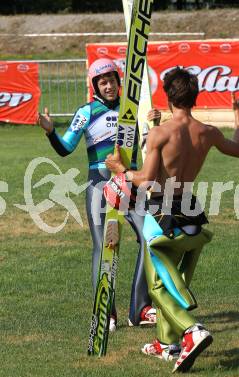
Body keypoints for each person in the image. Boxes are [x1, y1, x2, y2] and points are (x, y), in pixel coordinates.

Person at [105, 67, 239, 372]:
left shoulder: (161, 133)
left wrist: (119, 170)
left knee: (157, 287)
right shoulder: (208, 132)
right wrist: (237, 117)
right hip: (191, 214)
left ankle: (193, 331)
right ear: (195, 97)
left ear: (168, 97)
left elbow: (146, 180)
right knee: (165, 283)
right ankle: (167, 345)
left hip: (162, 216)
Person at [38, 58, 161, 331]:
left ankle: (139, 308)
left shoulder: (133, 110)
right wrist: (50, 132)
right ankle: (107, 313)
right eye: (102, 82)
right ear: (95, 85)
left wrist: (154, 124)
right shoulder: (86, 111)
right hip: (99, 185)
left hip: (129, 182)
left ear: (119, 82)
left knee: (150, 239)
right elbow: (66, 147)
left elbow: (149, 144)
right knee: (105, 246)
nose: (108, 86)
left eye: (111, 80)